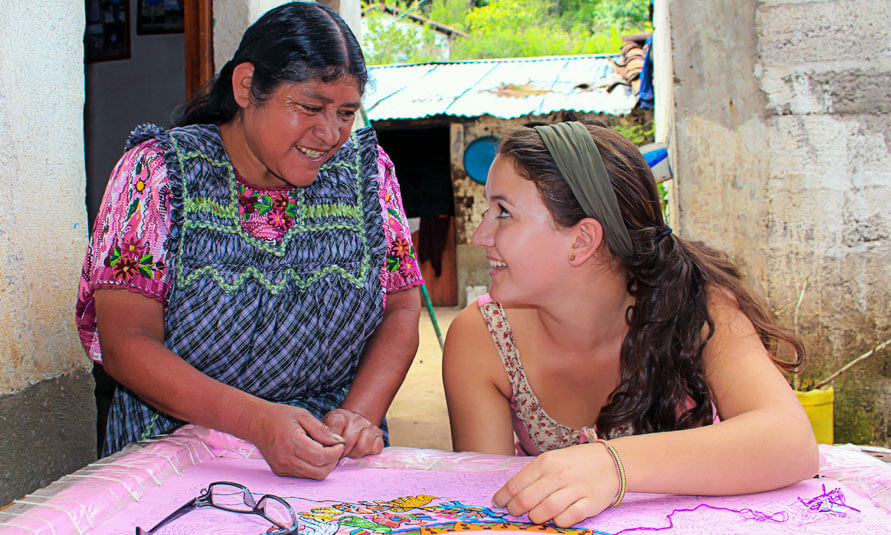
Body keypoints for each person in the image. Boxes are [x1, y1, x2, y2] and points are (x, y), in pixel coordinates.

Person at [76, 2, 423, 480]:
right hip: (176, 454)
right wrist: (257, 422)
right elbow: (126, 342)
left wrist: (358, 416)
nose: (329, 134)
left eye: (346, 113)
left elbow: (401, 310)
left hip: (330, 453)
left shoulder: (368, 175)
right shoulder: (155, 173)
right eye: (309, 107)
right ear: (246, 86)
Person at [442, 121, 818, 526]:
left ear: (582, 240)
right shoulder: (481, 337)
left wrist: (613, 467)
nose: (481, 234)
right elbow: (487, 503)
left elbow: (791, 441)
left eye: (503, 213)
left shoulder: (697, 305)